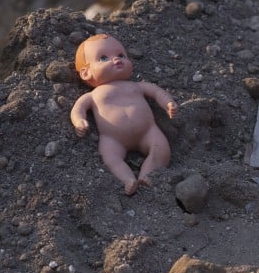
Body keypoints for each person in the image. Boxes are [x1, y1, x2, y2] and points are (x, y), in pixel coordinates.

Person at [71, 34, 179, 195]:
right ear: (86, 73)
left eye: (121, 55)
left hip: (147, 131)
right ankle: (127, 179)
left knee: (161, 149)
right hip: (113, 139)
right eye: (103, 58)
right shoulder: (93, 95)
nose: (116, 60)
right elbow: (77, 108)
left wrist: (168, 103)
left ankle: (148, 174)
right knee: (110, 158)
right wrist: (79, 121)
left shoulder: (137, 86)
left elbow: (157, 92)